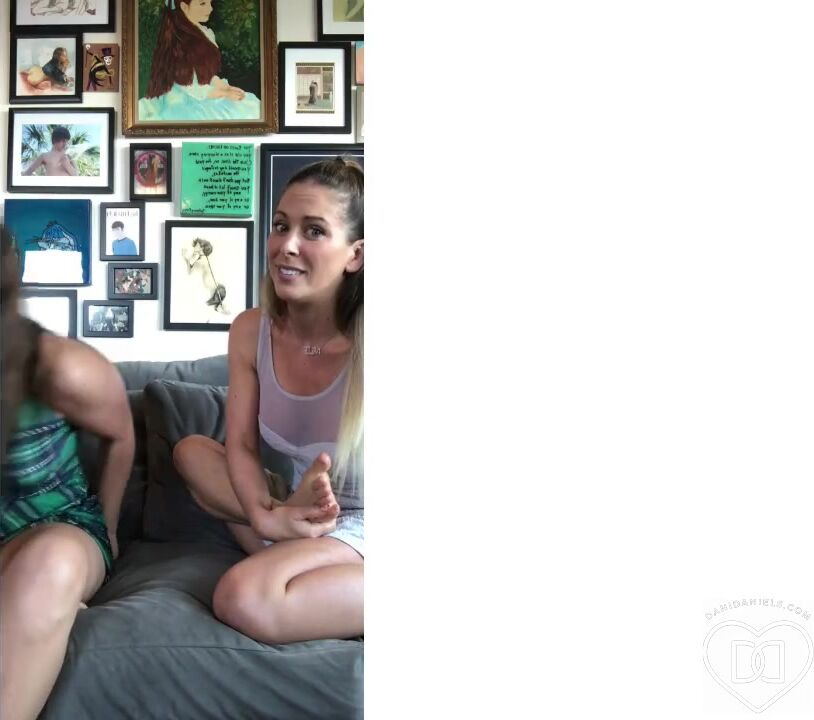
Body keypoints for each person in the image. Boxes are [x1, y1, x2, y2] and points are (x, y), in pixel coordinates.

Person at [173, 157, 364, 644]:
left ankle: (291, 564)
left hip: (367, 520)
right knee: (191, 452)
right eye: (281, 226)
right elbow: (239, 444)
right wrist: (267, 516)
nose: (287, 245)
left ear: (356, 255)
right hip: (298, 507)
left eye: (314, 231)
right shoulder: (250, 330)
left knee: (243, 596)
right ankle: (290, 548)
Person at [0, 225, 135, 720]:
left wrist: (111, 528)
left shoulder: (60, 365)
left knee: (51, 563)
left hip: (54, 530)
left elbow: (122, 436)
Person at [139, 0, 261, 122]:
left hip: (203, 93)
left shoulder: (206, 33)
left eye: (210, 3)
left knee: (249, 104)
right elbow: (188, 86)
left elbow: (205, 75)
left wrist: (225, 88)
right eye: (202, 4)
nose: (210, 9)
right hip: (183, 100)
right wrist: (223, 93)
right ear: (184, 7)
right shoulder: (177, 40)